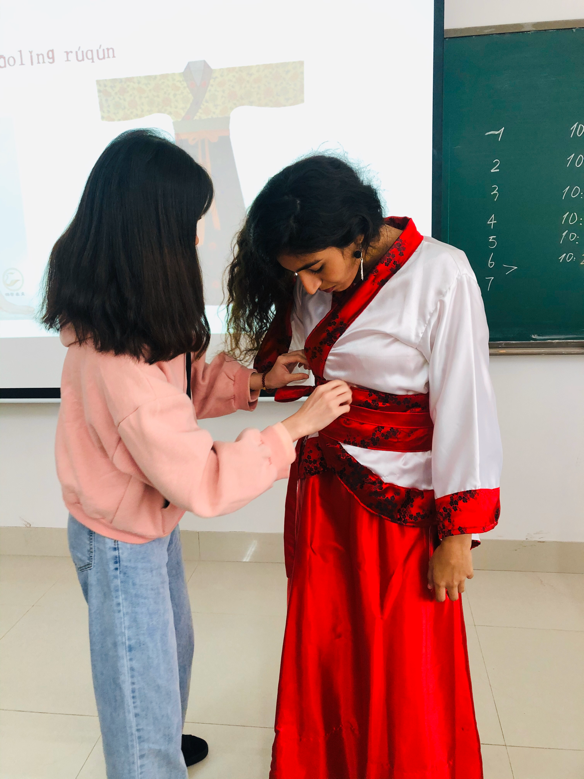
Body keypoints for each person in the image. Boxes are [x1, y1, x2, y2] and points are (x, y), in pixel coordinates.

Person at [41, 131, 352, 779]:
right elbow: (204, 479)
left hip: (146, 521)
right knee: (139, 689)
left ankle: (159, 745)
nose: (198, 238)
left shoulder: (132, 316)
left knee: (170, 651)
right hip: (120, 540)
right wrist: (293, 430)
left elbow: (177, 393)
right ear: (150, 237)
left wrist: (254, 382)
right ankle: (148, 762)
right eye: (189, 226)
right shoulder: (118, 361)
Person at [225, 154, 503, 779]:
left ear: (356, 233)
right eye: (296, 274)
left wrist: (458, 534)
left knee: (403, 659)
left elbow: (466, 405)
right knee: (328, 647)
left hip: (401, 507)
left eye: (316, 268)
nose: (308, 287)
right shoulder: (314, 280)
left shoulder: (441, 273)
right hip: (326, 495)